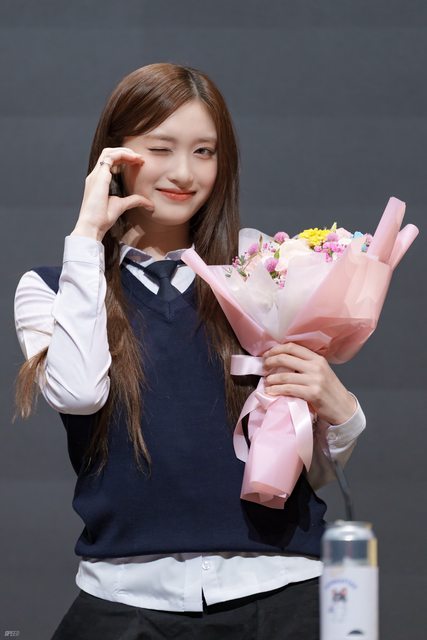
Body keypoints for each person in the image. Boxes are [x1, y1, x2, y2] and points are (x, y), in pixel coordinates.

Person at [14, 63, 366, 640]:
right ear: (114, 156)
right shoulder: (53, 288)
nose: (184, 172)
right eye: (161, 148)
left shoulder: (263, 279)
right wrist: (86, 238)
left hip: (281, 594)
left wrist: (342, 412)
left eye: (204, 151)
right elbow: (78, 394)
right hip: (125, 599)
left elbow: (307, 470)